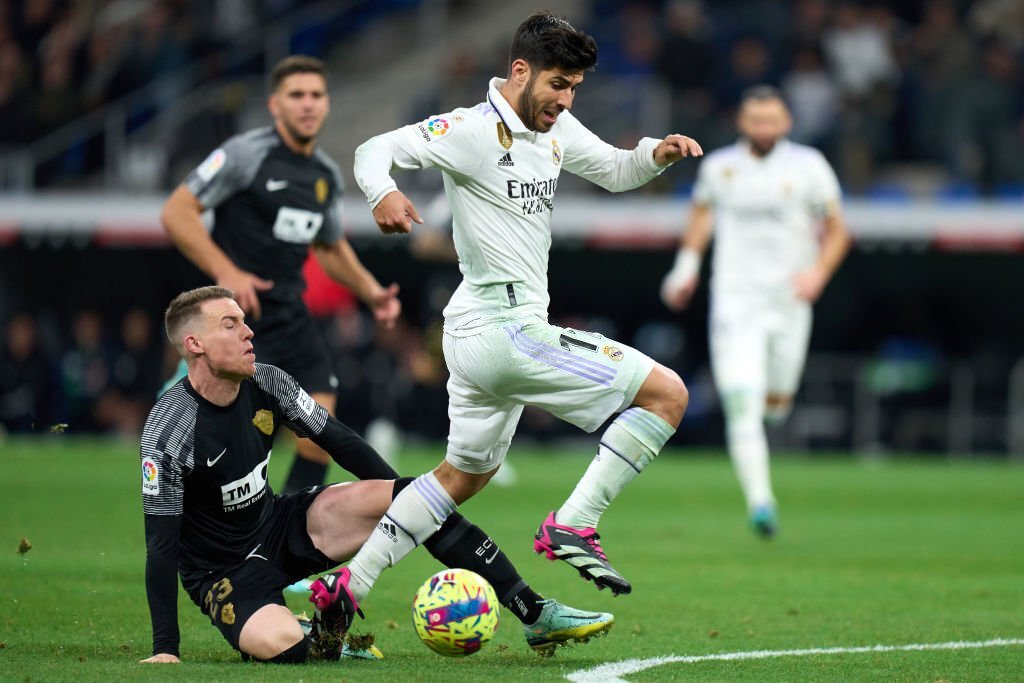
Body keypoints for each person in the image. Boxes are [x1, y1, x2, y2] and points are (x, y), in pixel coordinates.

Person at [311, 11, 702, 616]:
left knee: (459, 478)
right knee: (667, 394)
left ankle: (347, 588)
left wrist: (657, 154)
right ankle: (575, 522)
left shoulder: (555, 127)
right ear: (520, 71)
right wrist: (382, 191)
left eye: (575, 88)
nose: (566, 100)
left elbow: (614, 169)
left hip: (478, 337)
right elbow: (373, 149)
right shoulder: (469, 130)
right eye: (558, 84)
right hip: (505, 330)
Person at [140, 286, 615, 665]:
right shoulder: (169, 429)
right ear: (194, 344)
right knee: (282, 647)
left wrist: (408, 503)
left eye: (244, 321)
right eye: (231, 324)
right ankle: (320, 632)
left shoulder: (268, 380)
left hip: (281, 523)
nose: (248, 332)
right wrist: (166, 648)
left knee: (423, 497)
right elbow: (161, 546)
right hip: (223, 573)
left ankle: (533, 611)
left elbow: (340, 441)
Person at [159, 55, 400, 494]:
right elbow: (177, 212)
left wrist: (372, 292)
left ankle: (285, 531)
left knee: (317, 439)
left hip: (292, 318)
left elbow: (329, 247)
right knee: (223, 447)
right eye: (296, 95)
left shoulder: (325, 175)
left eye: (316, 95)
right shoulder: (244, 155)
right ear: (275, 104)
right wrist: (228, 270)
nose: (307, 104)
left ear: (326, 103)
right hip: (237, 319)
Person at [660, 85, 850, 537]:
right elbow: (701, 216)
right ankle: (761, 503)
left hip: (788, 301)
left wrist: (818, 275)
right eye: (756, 120)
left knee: (776, 403)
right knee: (741, 403)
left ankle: (772, 413)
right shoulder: (720, 167)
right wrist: (685, 267)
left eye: (772, 120)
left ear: (786, 123)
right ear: (741, 122)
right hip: (735, 299)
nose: (764, 128)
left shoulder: (809, 166)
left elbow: (838, 230)